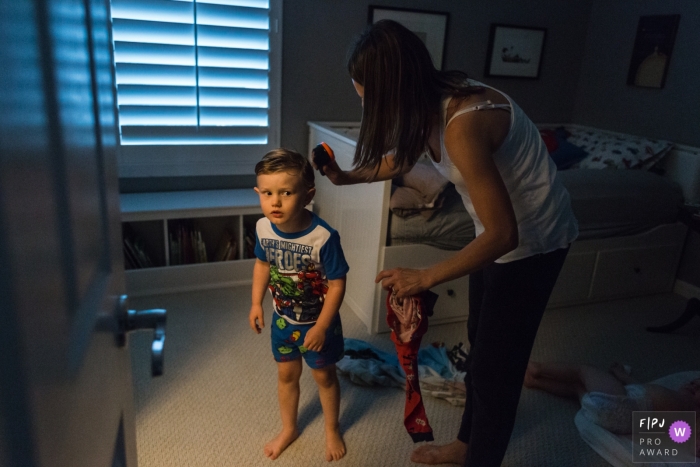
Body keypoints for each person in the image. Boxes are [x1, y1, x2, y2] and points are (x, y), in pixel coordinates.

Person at [312, 20, 579, 466]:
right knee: (481, 344)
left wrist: (425, 276)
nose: (365, 105)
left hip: (535, 241)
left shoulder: (462, 124)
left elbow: (505, 233)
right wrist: (344, 177)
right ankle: (466, 444)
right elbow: (399, 159)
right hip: (492, 235)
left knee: (497, 369)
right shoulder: (425, 105)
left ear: (392, 87)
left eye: (366, 95)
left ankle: (480, 457)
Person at [249, 148, 349, 462]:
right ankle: (289, 428)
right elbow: (262, 265)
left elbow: (337, 283)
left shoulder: (323, 237)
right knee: (286, 376)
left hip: (318, 324)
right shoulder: (263, 228)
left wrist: (321, 326)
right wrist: (256, 304)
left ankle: (332, 428)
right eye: (267, 193)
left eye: (286, 192)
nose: (274, 202)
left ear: (308, 195)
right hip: (283, 322)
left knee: (324, 377)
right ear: (258, 193)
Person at [524, 361, 700, 455]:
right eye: (694, 382)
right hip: (619, 421)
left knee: (583, 370)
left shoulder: (692, 410)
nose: (694, 385)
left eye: (698, 389)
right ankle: (536, 382)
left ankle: (537, 368)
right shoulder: (673, 400)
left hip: (621, 403)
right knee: (576, 387)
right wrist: (622, 376)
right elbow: (642, 388)